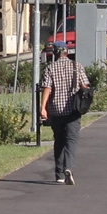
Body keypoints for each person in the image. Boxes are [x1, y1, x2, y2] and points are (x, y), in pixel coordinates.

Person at [40, 41, 90, 185]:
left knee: (59, 141)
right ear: (67, 52)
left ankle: (59, 174)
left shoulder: (50, 68)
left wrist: (43, 107)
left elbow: (47, 88)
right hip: (73, 110)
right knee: (71, 140)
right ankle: (69, 167)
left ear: (55, 53)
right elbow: (84, 86)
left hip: (56, 110)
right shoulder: (77, 66)